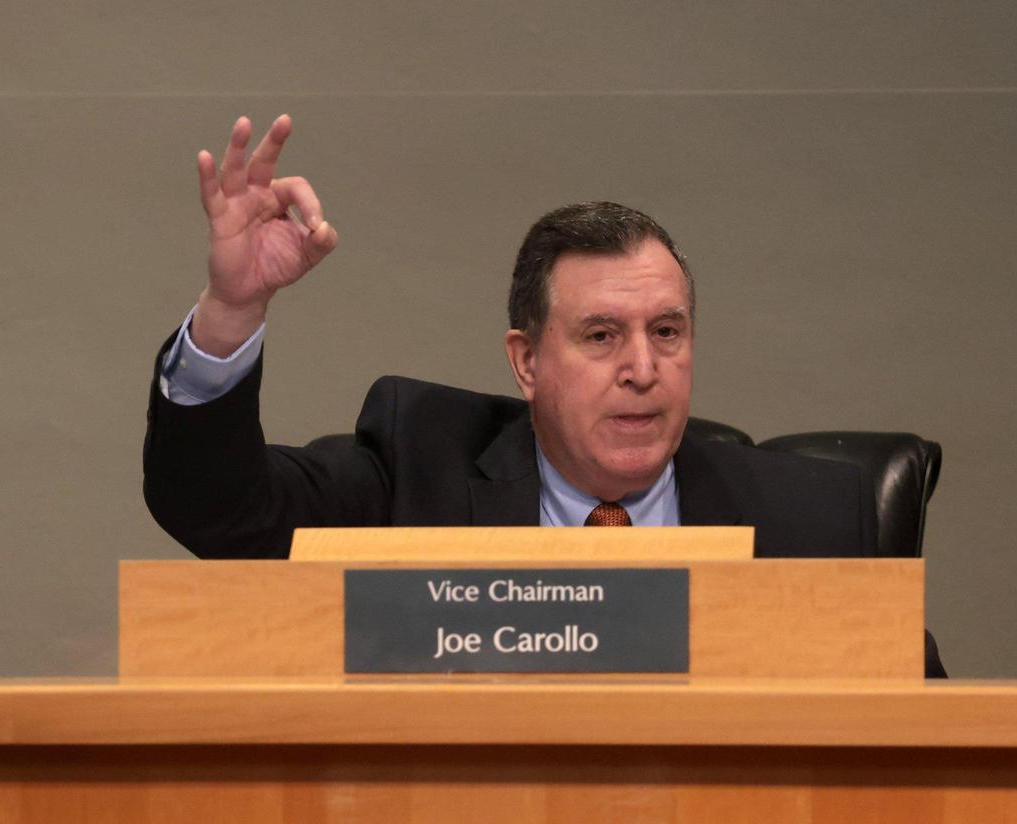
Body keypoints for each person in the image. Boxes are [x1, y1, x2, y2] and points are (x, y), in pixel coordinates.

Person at [142, 115, 945, 675]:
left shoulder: (815, 521)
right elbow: (220, 511)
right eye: (601, 336)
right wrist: (233, 310)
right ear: (526, 363)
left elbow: (941, 742)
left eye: (667, 332)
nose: (643, 368)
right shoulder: (416, 471)